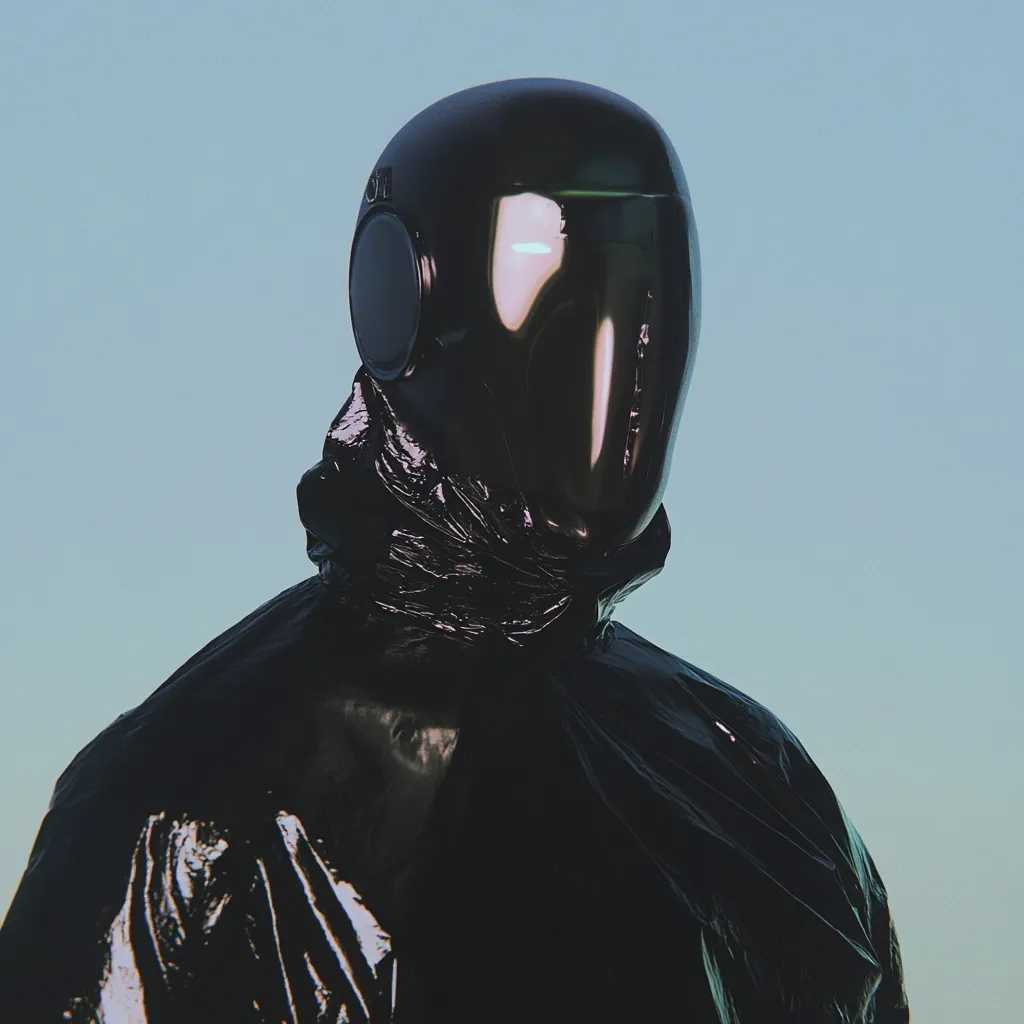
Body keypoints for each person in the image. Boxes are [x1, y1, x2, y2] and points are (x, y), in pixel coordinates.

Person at [0, 78, 910, 1022]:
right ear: (402, 304)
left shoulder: (755, 785)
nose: (625, 347)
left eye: (652, 282)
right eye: (558, 279)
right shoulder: (191, 809)